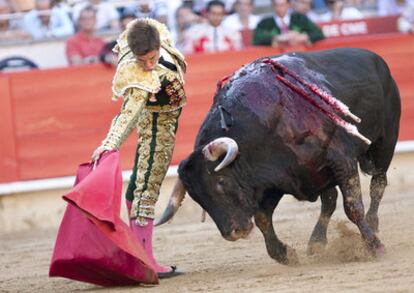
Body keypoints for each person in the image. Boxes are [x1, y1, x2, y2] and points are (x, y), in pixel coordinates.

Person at [91, 17, 187, 279]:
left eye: (152, 58)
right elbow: (129, 111)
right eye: (142, 60)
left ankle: (136, 254)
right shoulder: (136, 69)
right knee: (146, 187)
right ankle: (144, 262)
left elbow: (143, 27)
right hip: (158, 124)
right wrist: (110, 144)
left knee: (138, 183)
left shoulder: (154, 37)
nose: (148, 65)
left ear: (158, 46)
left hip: (160, 117)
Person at [253, 0, 324, 47]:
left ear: (288, 5)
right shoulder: (265, 23)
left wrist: (302, 37)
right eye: (276, 5)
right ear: (273, 6)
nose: (279, 8)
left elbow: (319, 33)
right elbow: (256, 40)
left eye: (282, 5)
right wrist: (278, 38)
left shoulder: (299, 18)